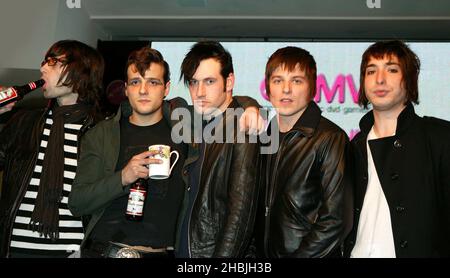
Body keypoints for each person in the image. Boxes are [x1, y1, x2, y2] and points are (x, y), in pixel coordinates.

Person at [68, 47, 187, 258]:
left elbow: (225, 108)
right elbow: (78, 203)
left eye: (153, 82)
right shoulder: (102, 134)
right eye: (135, 82)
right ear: (126, 88)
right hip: (104, 251)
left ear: (166, 88)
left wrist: (249, 106)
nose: (143, 90)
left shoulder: (185, 132)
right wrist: (123, 177)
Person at [345, 40, 450, 258]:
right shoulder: (353, 147)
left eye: (392, 69)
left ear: (410, 79)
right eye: (371, 71)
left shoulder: (439, 137)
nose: (379, 79)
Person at [0, 40, 104, 258]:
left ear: (80, 71)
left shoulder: (101, 131)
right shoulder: (24, 123)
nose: (42, 68)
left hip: (71, 252)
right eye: (44, 62)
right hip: (14, 250)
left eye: (53, 62)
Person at [254, 46, 352, 258]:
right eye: (278, 81)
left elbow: (336, 219)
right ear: (268, 88)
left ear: (312, 88)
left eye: (297, 81)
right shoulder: (262, 138)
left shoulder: (330, 137)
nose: (286, 89)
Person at [176, 41, 260, 258]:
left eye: (209, 81)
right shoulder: (194, 123)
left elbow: (240, 214)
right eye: (193, 82)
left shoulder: (242, 126)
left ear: (229, 81)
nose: (199, 92)